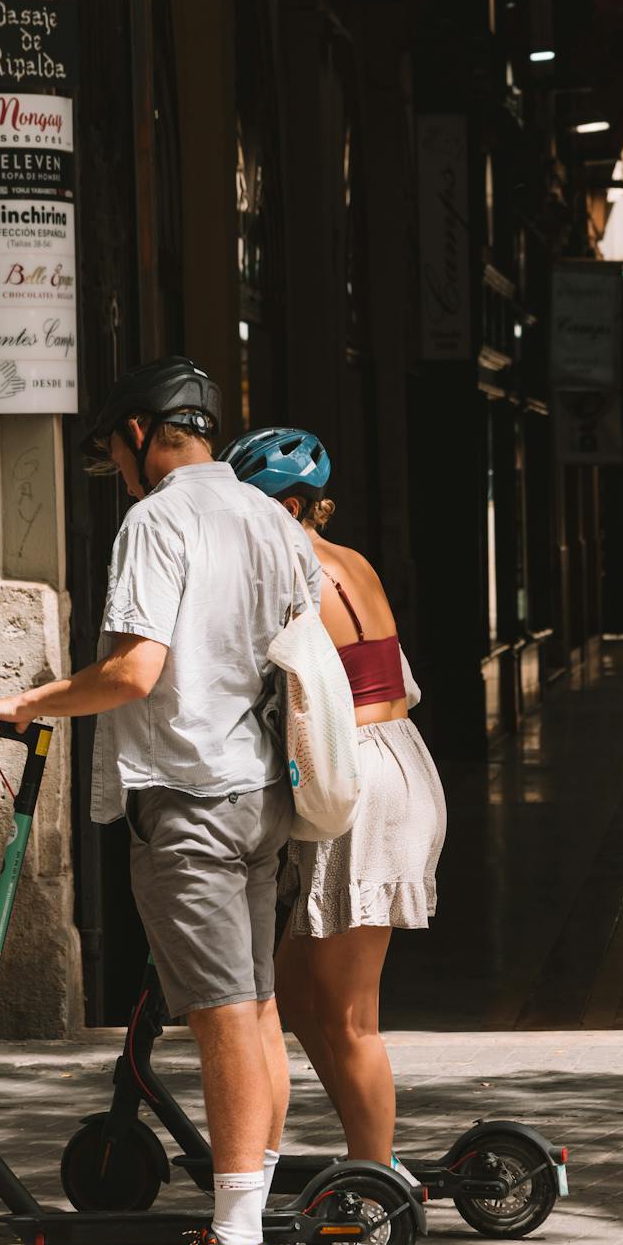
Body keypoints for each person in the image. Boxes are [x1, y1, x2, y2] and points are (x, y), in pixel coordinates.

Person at [0, 360, 321, 1245]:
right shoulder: (265, 517)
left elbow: (132, 672)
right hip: (255, 791)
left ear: (139, 433)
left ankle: (237, 1244)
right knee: (252, 1008)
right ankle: (250, 1211)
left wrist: (27, 702)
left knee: (219, 1018)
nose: (117, 468)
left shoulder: (157, 519)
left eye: (115, 449)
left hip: (190, 793)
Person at [219, 426, 446, 1170]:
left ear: (285, 506)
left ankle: (378, 1177)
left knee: (350, 1016)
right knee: (290, 988)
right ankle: (287, 1160)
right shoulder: (353, 562)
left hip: (359, 783)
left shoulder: (287, 574)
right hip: (397, 763)